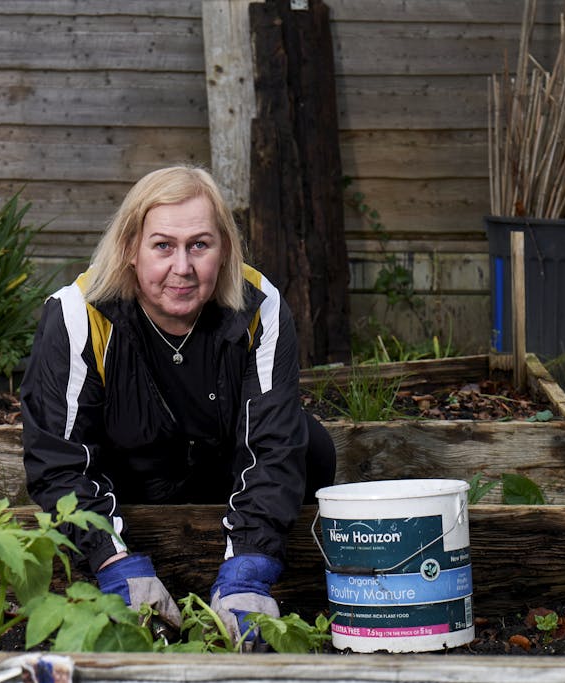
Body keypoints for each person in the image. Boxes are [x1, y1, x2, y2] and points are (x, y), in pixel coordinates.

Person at [20, 165, 336, 645]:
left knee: (310, 443)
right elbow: (59, 460)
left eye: (200, 245)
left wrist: (248, 567)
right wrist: (112, 559)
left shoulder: (259, 306)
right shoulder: (77, 315)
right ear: (130, 248)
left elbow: (272, 446)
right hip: (126, 488)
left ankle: (249, 581)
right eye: (163, 245)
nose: (182, 267)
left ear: (223, 248)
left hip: (221, 480)